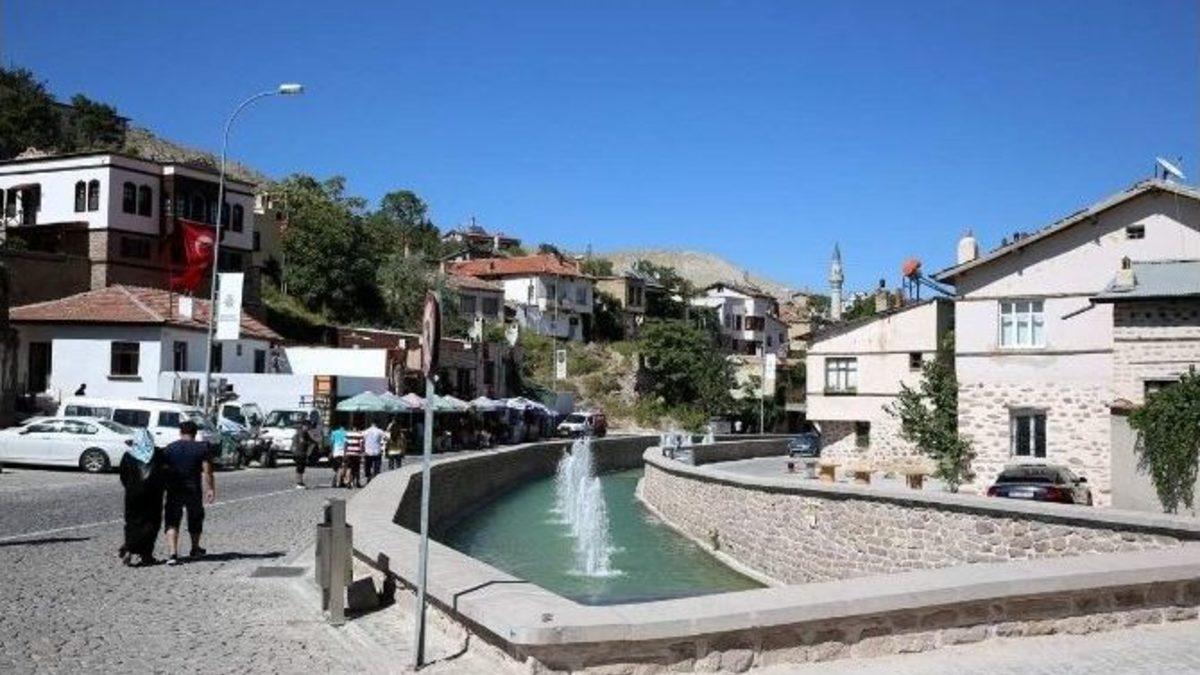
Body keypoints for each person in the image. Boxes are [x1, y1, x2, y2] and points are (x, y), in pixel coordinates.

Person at [162, 420, 216, 566]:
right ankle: (194, 548)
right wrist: (210, 489)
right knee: (195, 518)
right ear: (195, 433)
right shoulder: (202, 448)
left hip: (174, 489)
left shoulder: (170, 448)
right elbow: (207, 472)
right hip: (193, 489)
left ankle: (173, 554)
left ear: (180, 432)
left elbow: (164, 470)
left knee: (172, 520)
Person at [118, 428, 164, 567]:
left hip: (133, 494)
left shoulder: (128, 456)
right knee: (152, 523)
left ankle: (129, 547)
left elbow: (123, 475)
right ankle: (146, 555)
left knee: (132, 522)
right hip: (154, 494)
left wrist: (130, 487)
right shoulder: (158, 454)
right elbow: (164, 473)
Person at [291, 420, 316, 489]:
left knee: (302, 468)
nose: (309, 428)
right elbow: (302, 442)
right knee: (299, 468)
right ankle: (298, 483)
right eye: (308, 426)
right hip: (299, 453)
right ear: (304, 426)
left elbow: (311, 440)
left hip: (302, 453)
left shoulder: (305, 433)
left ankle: (301, 482)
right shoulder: (301, 432)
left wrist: (315, 442)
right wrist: (309, 443)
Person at [343, 424, 365, 488]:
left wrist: (345, 453)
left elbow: (345, 444)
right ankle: (357, 482)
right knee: (357, 469)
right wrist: (361, 453)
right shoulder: (360, 434)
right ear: (357, 428)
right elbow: (361, 444)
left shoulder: (347, 434)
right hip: (356, 454)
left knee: (349, 468)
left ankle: (348, 482)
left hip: (349, 453)